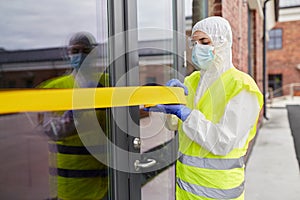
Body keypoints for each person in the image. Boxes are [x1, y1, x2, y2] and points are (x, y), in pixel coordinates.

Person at [145, 16, 263, 200]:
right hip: (185, 191)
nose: (197, 47)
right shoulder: (191, 81)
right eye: (194, 42)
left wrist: (186, 114)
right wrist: (170, 108)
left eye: (204, 41)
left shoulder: (241, 86)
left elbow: (223, 142)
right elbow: (175, 126)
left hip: (219, 192)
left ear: (222, 43)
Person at [38, 32, 108, 200]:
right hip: (69, 181)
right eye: (75, 50)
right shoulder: (54, 88)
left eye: (85, 51)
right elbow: (52, 131)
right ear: (68, 54)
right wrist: (79, 109)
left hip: (103, 181)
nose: (80, 55)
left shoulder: (107, 83)